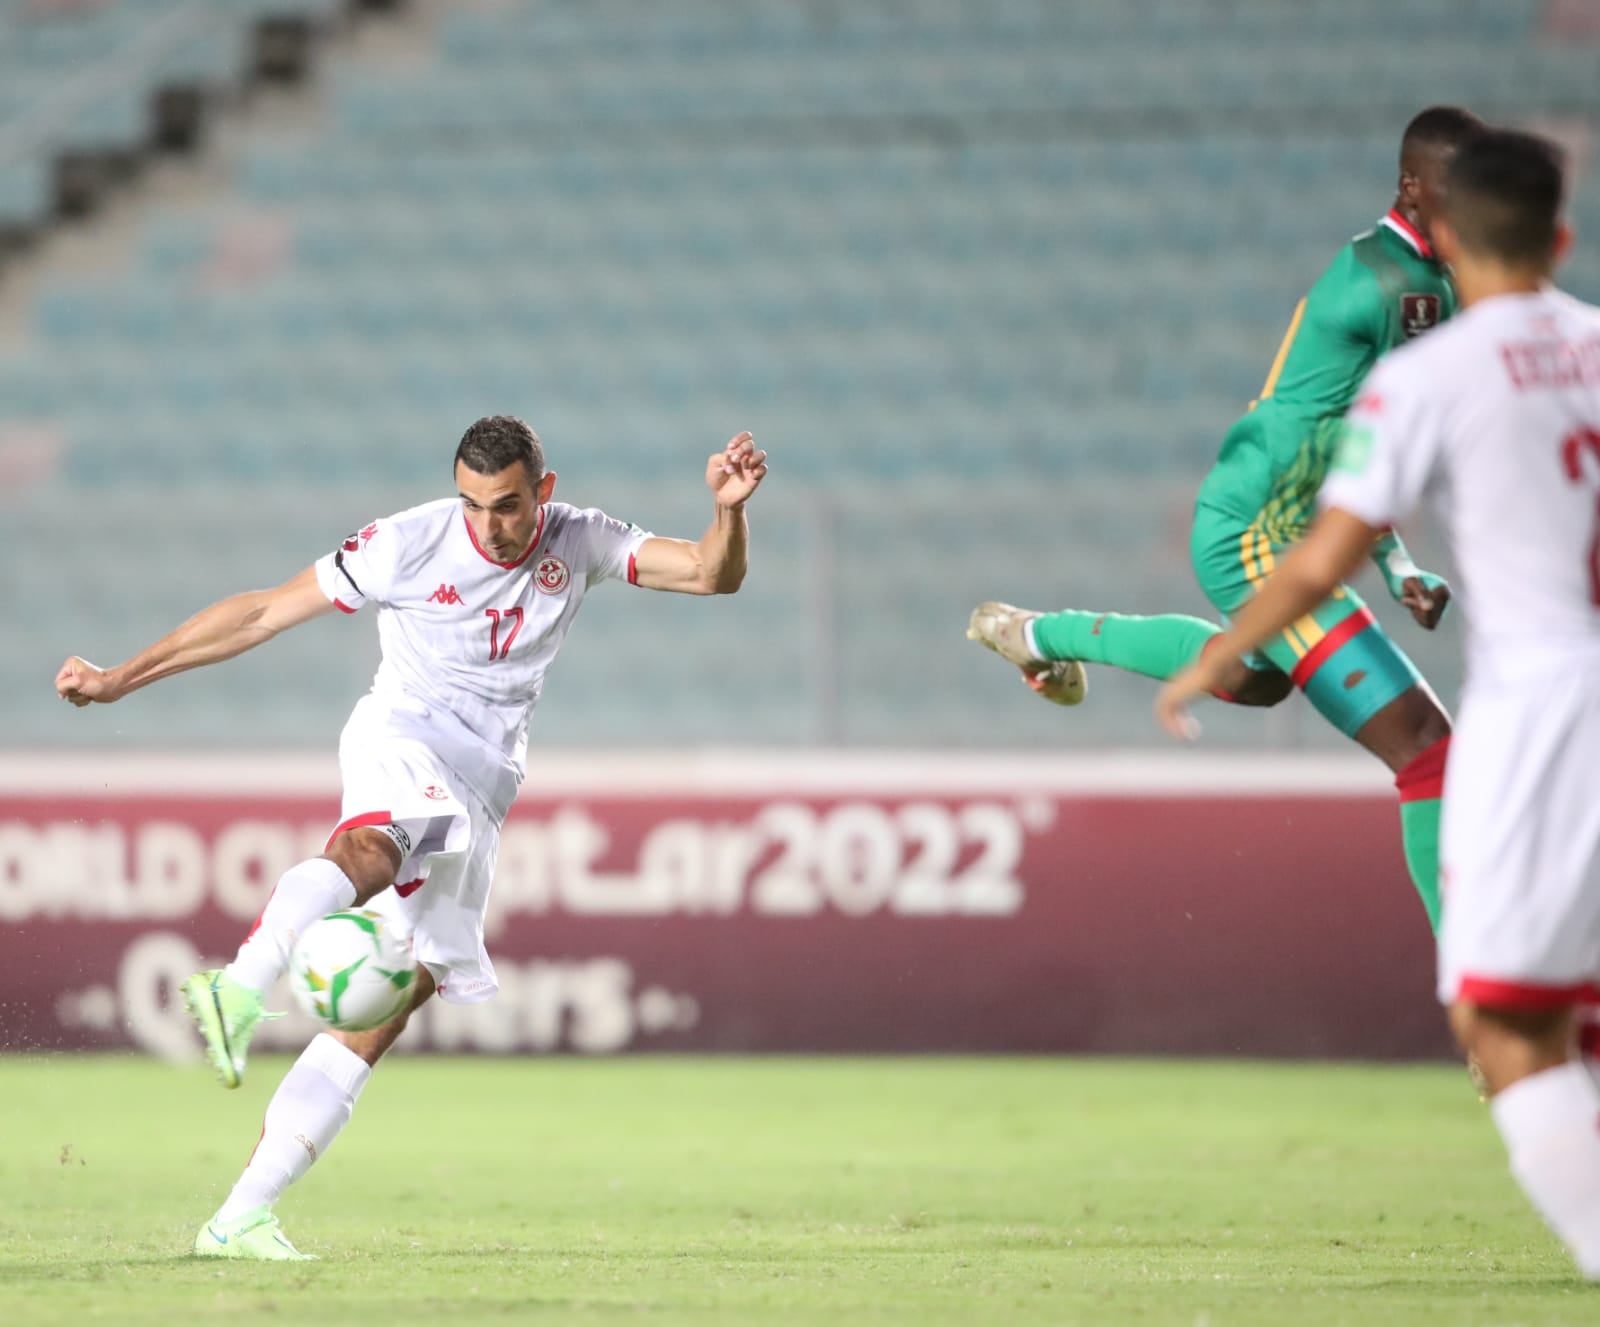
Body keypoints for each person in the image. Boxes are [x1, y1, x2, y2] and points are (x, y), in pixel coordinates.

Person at [54, 416, 769, 1260]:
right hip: (406, 732)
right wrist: (118, 679)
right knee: (378, 845)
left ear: (542, 491)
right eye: (472, 504)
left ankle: (238, 1217)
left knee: (388, 1003)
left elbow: (711, 573)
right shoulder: (407, 542)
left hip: (486, 781)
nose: (488, 526)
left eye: (506, 506)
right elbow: (261, 612)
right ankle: (240, 985)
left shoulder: (581, 538)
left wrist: (728, 512)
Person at [1157, 128, 1600, 1277]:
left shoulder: (1430, 374)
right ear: (1560, 238)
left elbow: (1320, 554)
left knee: (1507, 1023)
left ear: (1443, 232)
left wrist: (1217, 656)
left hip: (1542, 720)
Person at [968, 106, 1484, 934]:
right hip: (1258, 533)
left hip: (1273, 517)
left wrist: (1397, 566)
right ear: (1412, 189)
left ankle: (1034, 634)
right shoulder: (1407, 287)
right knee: (1428, 750)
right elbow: (1391, 437)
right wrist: (1397, 561)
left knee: (1254, 677)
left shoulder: (1416, 271)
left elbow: (1359, 439)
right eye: (1463, 188)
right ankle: (1472, 987)